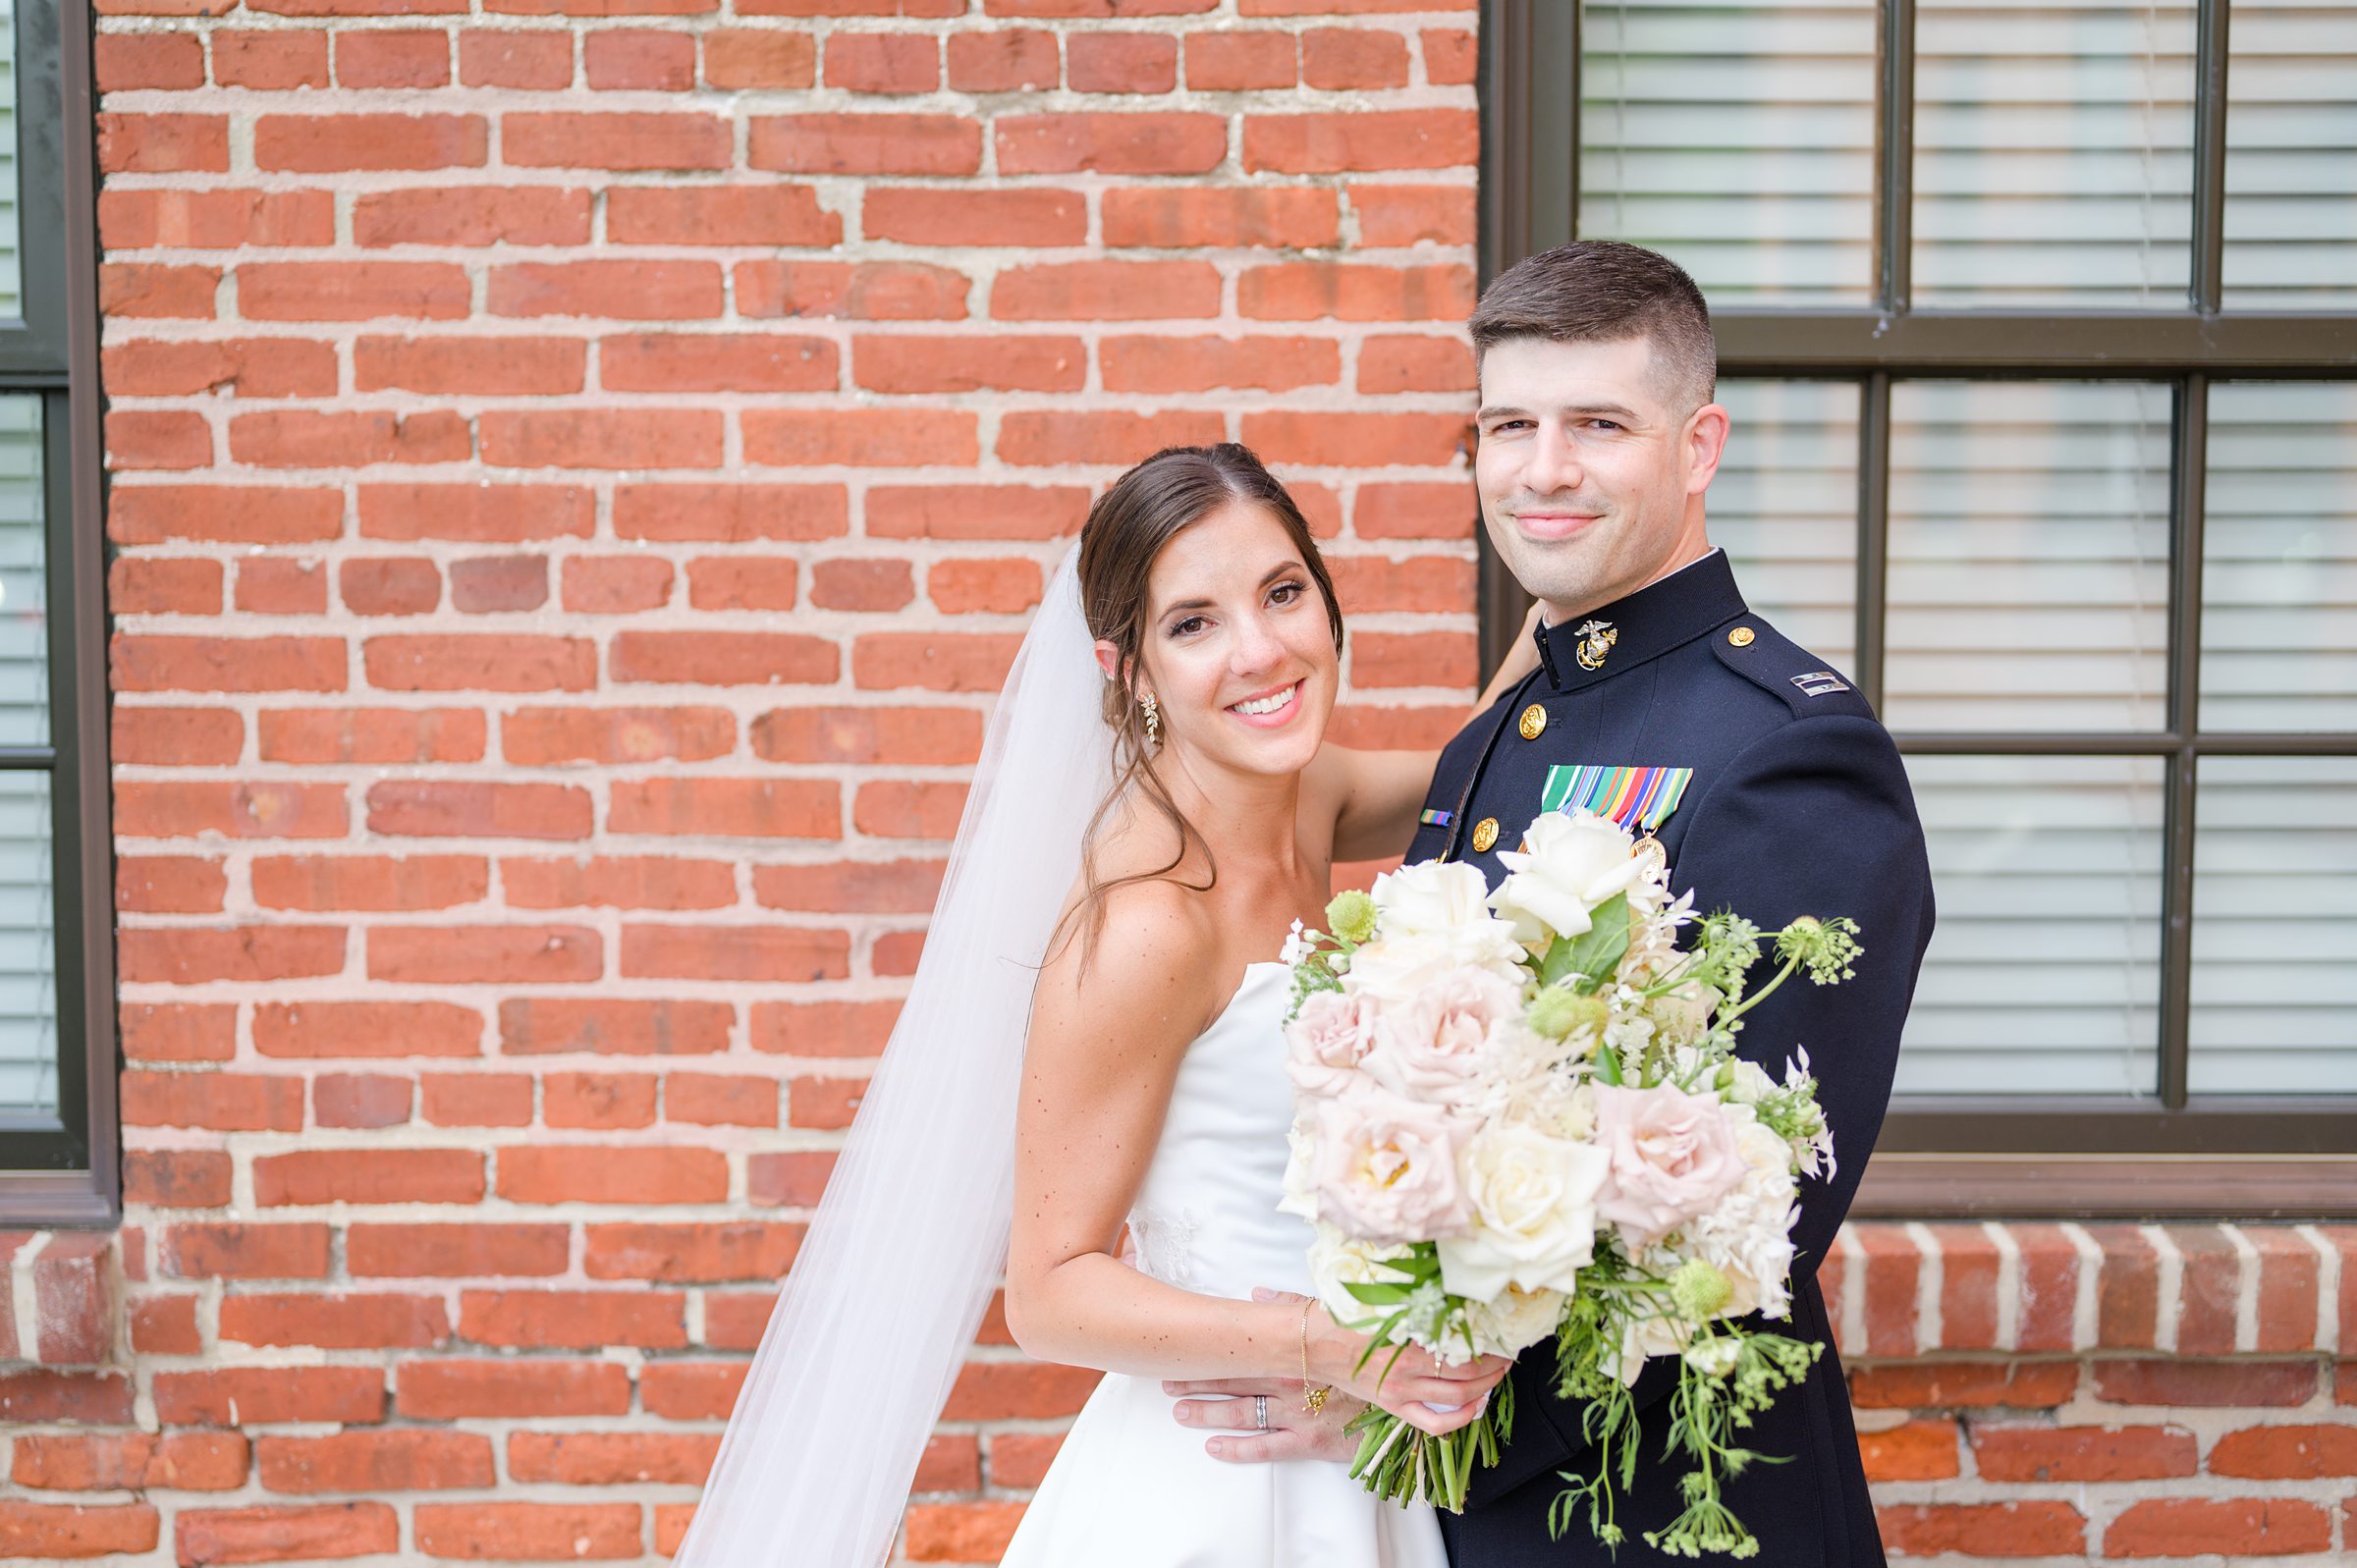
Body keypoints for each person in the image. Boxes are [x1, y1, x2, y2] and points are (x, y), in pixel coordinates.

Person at [1183, 243, 1936, 1566]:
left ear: (1697, 446)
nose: (1543, 468)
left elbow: (1750, 1211)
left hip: (1661, 1512)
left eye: (1599, 425)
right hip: (1470, 1508)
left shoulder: (1785, 749)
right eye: (1509, 425)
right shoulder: (1508, 728)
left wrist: (1402, 1409)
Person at [671, 443, 1542, 1568]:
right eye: (1194, 623)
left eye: (1283, 593)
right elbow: (1049, 1291)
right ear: (1126, 671)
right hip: (1224, 1483)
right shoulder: (1146, 922)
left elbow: (1483, 769)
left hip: (1356, 1451)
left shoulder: (1307, 793)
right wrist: (1323, 1346)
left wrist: (1567, 603)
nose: (1261, 650)